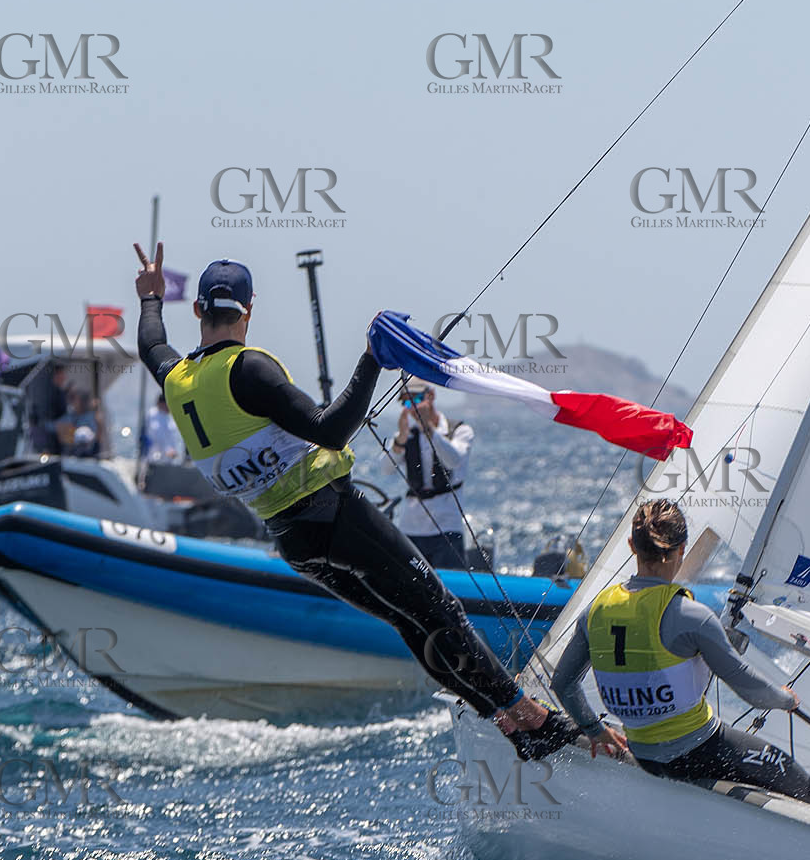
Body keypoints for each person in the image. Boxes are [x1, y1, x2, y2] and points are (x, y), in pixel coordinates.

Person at [132, 242, 578, 759]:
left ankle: (507, 723)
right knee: (437, 607)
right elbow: (329, 430)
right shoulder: (248, 369)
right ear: (249, 310)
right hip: (336, 517)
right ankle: (531, 717)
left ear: (198, 310)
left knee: (407, 618)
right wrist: (372, 359)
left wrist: (149, 298)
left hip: (295, 543)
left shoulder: (177, 379)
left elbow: (151, 344)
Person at [551, 499, 810, 808]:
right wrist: (786, 699)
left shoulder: (596, 610)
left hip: (642, 753)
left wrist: (594, 730)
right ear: (682, 549)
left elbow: (563, 683)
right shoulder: (689, 615)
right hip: (699, 752)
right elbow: (751, 691)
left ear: (631, 545)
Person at [392, 383, 472, 570]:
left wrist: (429, 429)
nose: (413, 408)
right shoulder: (405, 436)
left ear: (431, 396)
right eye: (407, 404)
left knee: (449, 581)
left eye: (417, 400)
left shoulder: (459, 431)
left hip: (447, 526)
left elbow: (453, 460)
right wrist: (400, 439)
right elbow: (385, 468)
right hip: (411, 527)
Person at [141, 394, 183, 463]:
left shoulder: (172, 416)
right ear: (161, 404)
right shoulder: (151, 415)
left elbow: (176, 439)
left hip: (170, 459)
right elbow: (155, 436)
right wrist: (166, 450)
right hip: (153, 458)